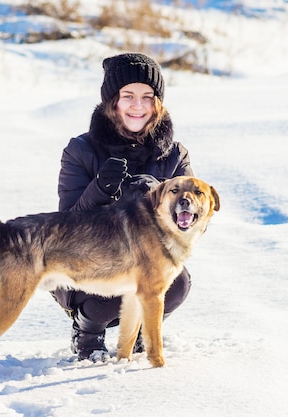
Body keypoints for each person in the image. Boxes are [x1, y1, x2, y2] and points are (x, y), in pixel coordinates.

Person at [51, 52, 194, 362]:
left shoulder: (174, 155)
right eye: (128, 95)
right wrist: (100, 190)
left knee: (177, 283)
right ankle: (86, 331)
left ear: (158, 103)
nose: (138, 105)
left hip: (149, 257)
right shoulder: (80, 149)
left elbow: (193, 219)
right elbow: (65, 227)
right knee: (112, 288)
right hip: (87, 260)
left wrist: (156, 202)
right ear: (112, 101)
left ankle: (143, 327)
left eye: (147, 96)